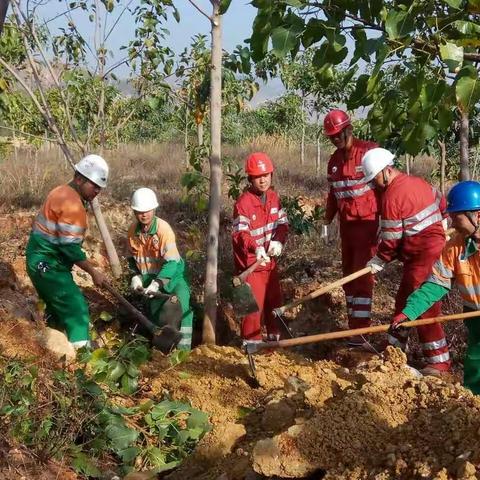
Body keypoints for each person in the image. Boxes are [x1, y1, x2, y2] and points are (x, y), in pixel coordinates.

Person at [362, 148, 450, 374]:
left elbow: (391, 241)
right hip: (422, 253)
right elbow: (442, 204)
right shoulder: (418, 182)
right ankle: (394, 350)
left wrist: (379, 259)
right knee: (403, 301)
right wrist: (445, 224)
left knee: (424, 308)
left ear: (386, 171)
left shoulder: (392, 197)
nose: (373, 186)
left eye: (374, 180)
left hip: (425, 256)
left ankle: (439, 362)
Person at [390, 181, 480, 386]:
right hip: (475, 321)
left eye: (456, 216)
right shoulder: (455, 247)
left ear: (477, 215)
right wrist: (409, 312)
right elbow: (436, 284)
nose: (452, 222)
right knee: (475, 372)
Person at [26, 154, 109, 349]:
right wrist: (94, 272)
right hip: (46, 263)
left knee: (57, 311)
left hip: (42, 259)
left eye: (99, 187)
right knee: (75, 306)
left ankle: (56, 354)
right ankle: (82, 359)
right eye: (94, 185)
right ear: (79, 178)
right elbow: (69, 248)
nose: (97, 191)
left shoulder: (62, 191)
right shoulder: (72, 204)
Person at [323, 109, 379, 345]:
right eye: (332, 137)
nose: (336, 140)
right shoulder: (334, 161)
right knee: (348, 275)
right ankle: (351, 327)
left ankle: (360, 333)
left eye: (339, 135)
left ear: (349, 129)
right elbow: (334, 195)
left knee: (361, 276)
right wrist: (326, 221)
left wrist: (387, 222)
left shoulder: (368, 152)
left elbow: (385, 188)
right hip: (346, 228)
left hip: (367, 227)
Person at [127, 188, 193, 350]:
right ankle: (162, 353)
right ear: (135, 211)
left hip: (173, 279)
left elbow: (171, 263)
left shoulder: (164, 230)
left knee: (183, 309)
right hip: (149, 281)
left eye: (148, 210)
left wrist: (157, 284)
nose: (144, 215)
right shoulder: (132, 232)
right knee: (157, 316)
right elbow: (132, 260)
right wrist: (136, 277)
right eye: (140, 211)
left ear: (154, 209)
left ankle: (183, 354)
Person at [232, 152, 288, 341]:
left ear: (271, 175)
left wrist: (278, 240)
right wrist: (255, 248)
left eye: (265, 175)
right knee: (252, 312)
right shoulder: (243, 204)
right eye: (257, 177)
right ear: (250, 178)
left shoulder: (273, 198)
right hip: (251, 266)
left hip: (270, 264)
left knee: (275, 305)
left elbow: (282, 223)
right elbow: (241, 234)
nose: (262, 180)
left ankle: (274, 346)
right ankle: (251, 349)